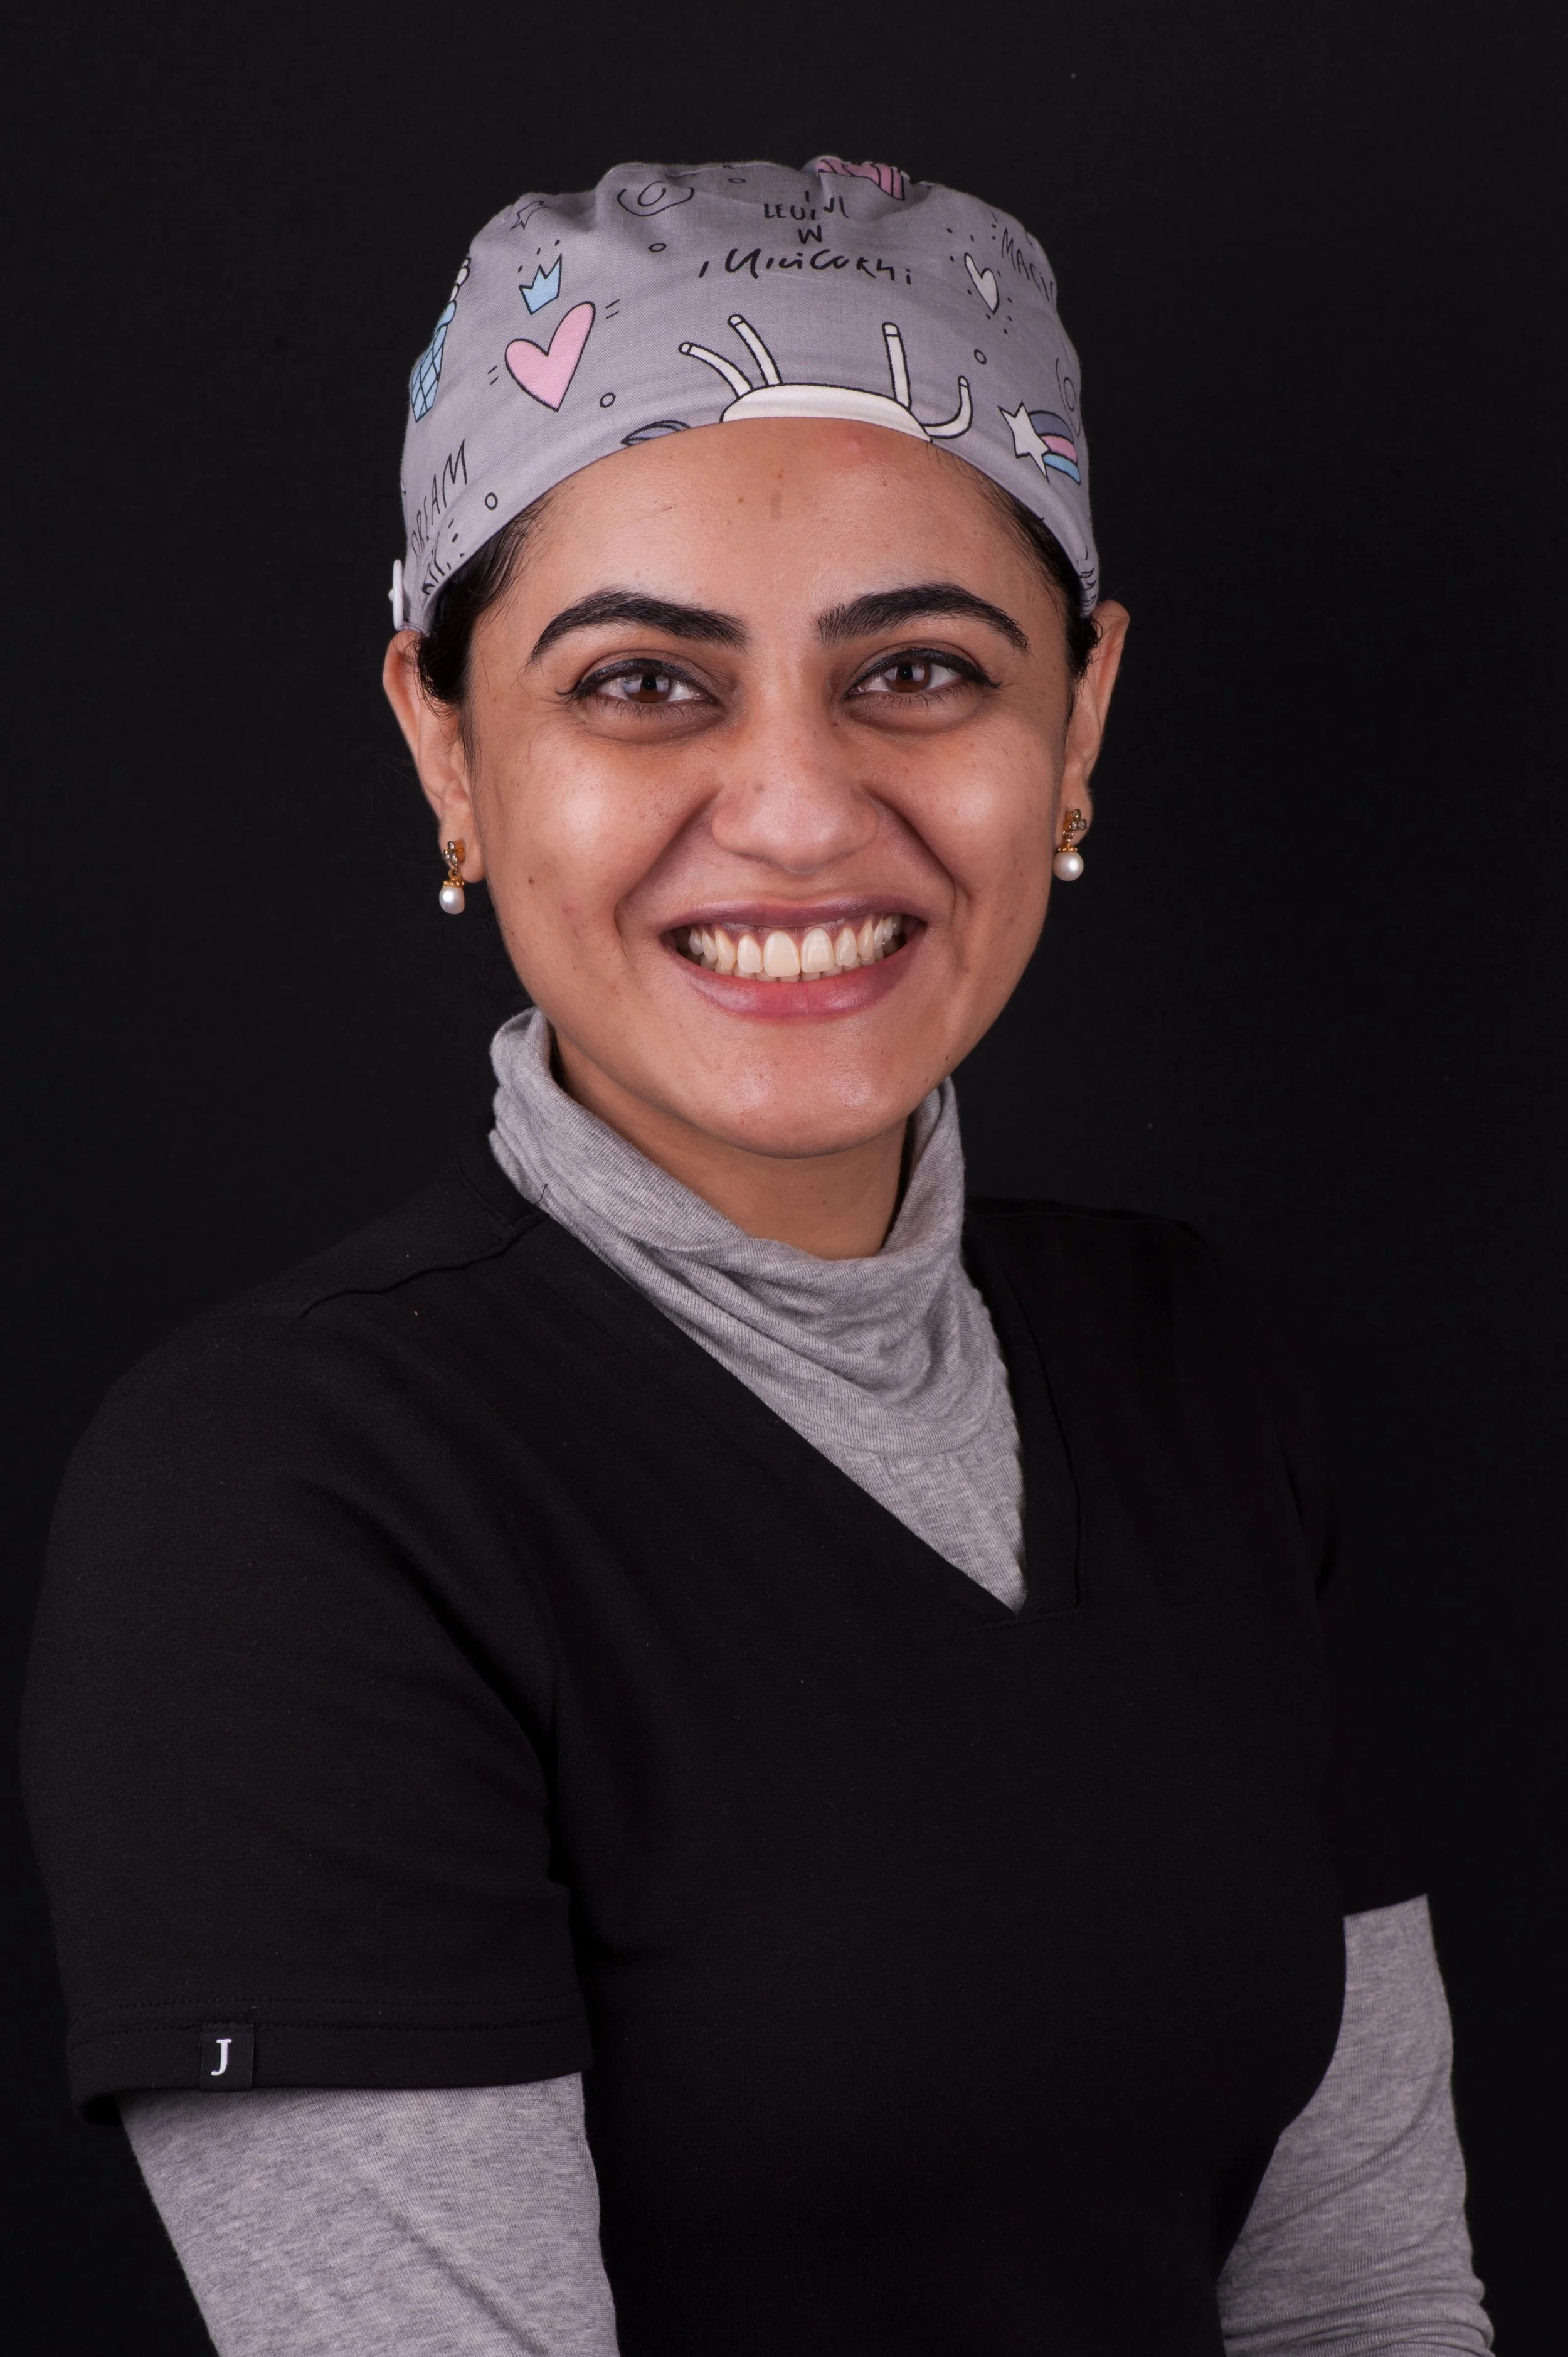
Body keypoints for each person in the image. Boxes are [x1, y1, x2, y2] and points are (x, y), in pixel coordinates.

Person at [23, 157, 1493, 2355]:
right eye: (642, 682)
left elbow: (1362, 2299)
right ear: (448, 743)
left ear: (1076, 724)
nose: (798, 811)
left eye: (918, 668)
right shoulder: (284, 1508)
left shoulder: (1200, 1376)